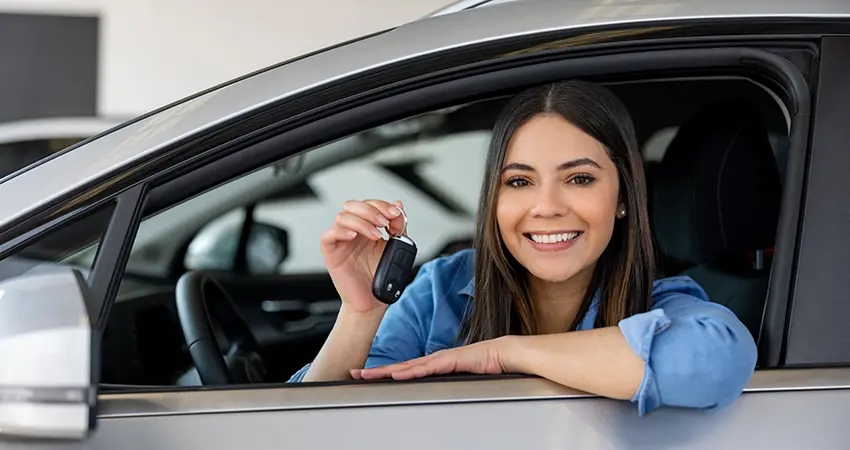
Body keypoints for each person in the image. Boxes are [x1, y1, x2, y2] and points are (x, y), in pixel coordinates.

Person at [287, 80, 758, 416]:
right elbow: (318, 425)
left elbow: (714, 364)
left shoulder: (664, 301)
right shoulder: (442, 289)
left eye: (579, 178)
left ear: (622, 198)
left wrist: (506, 353)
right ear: (495, 197)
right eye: (519, 181)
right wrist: (361, 312)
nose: (546, 207)